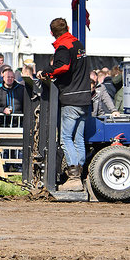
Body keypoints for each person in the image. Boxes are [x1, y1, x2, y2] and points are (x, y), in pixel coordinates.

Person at [37, 18, 91, 192]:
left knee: (66, 138)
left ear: (52, 32)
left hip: (71, 99)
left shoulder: (63, 46)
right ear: (67, 28)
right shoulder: (78, 43)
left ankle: (74, 178)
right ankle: (80, 175)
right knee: (79, 139)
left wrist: (45, 72)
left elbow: (63, 66)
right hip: (84, 98)